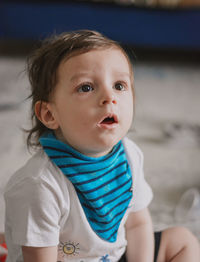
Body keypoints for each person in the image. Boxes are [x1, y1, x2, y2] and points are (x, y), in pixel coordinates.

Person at [3, 30, 200, 262]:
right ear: (49, 114)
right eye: (86, 87)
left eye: (119, 85)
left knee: (182, 241)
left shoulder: (129, 155)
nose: (109, 97)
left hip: (112, 254)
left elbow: (137, 225)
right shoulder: (39, 186)